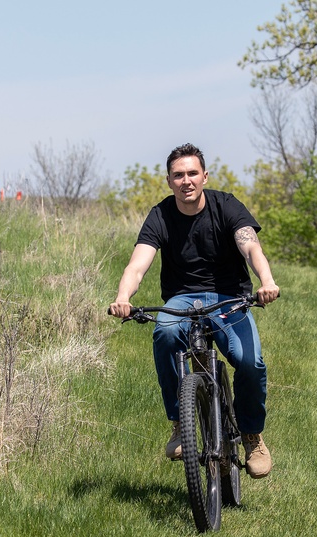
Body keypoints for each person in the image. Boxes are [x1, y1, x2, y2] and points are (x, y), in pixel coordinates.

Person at [109, 143, 280, 478]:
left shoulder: (226, 205)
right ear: (169, 181)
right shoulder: (160, 215)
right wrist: (123, 296)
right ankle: (179, 422)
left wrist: (267, 281)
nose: (185, 180)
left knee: (250, 361)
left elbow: (250, 247)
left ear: (204, 176)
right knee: (166, 332)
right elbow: (137, 265)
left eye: (191, 173)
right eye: (178, 175)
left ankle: (251, 435)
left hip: (229, 297)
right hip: (182, 300)